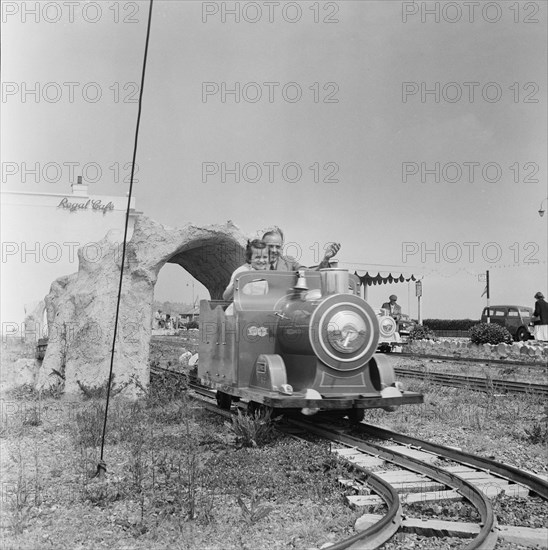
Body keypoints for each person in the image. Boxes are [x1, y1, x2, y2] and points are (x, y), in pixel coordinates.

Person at [262, 229, 340, 271]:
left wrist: (326, 259)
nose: (274, 250)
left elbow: (311, 275)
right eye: (270, 246)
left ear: (282, 248)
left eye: (278, 247)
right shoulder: (255, 264)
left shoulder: (289, 262)